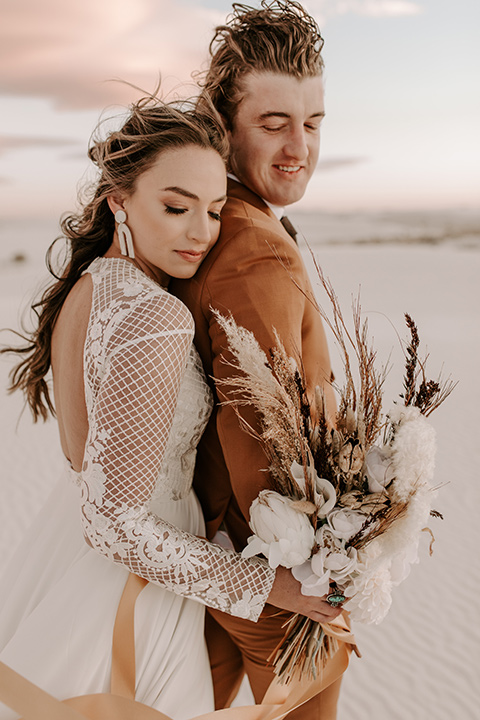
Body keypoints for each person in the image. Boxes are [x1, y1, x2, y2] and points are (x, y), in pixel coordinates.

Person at [0, 95, 341, 720]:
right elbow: (113, 523)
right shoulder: (154, 317)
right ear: (119, 200)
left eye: (214, 211)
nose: (201, 232)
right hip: (133, 597)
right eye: (176, 207)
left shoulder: (89, 288)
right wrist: (265, 584)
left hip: (73, 575)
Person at [171, 2, 351, 718]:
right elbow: (264, 443)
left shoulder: (215, 223)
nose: (297, 146)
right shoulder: (253, 246)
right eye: (273, 123)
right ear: (224, 127)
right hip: (273, 578)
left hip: (222, 556)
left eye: (312, 124)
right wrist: (323, 576)